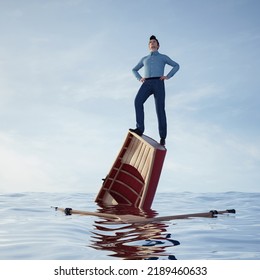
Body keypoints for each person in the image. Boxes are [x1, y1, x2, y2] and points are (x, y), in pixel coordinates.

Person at [130, 35, 179, 146]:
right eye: (150, 42)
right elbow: (134, 69)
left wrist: (168, 76)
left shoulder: (163, 57)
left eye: (154, 42)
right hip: (146, 83)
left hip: (159, 83)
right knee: (137, 101)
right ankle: (139, 129)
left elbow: (176, 65)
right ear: (149, 46)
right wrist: (139, 78)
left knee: (160, 109)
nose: (152, 43)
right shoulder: (144, 59)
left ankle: (162, 137)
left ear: (158, 45)